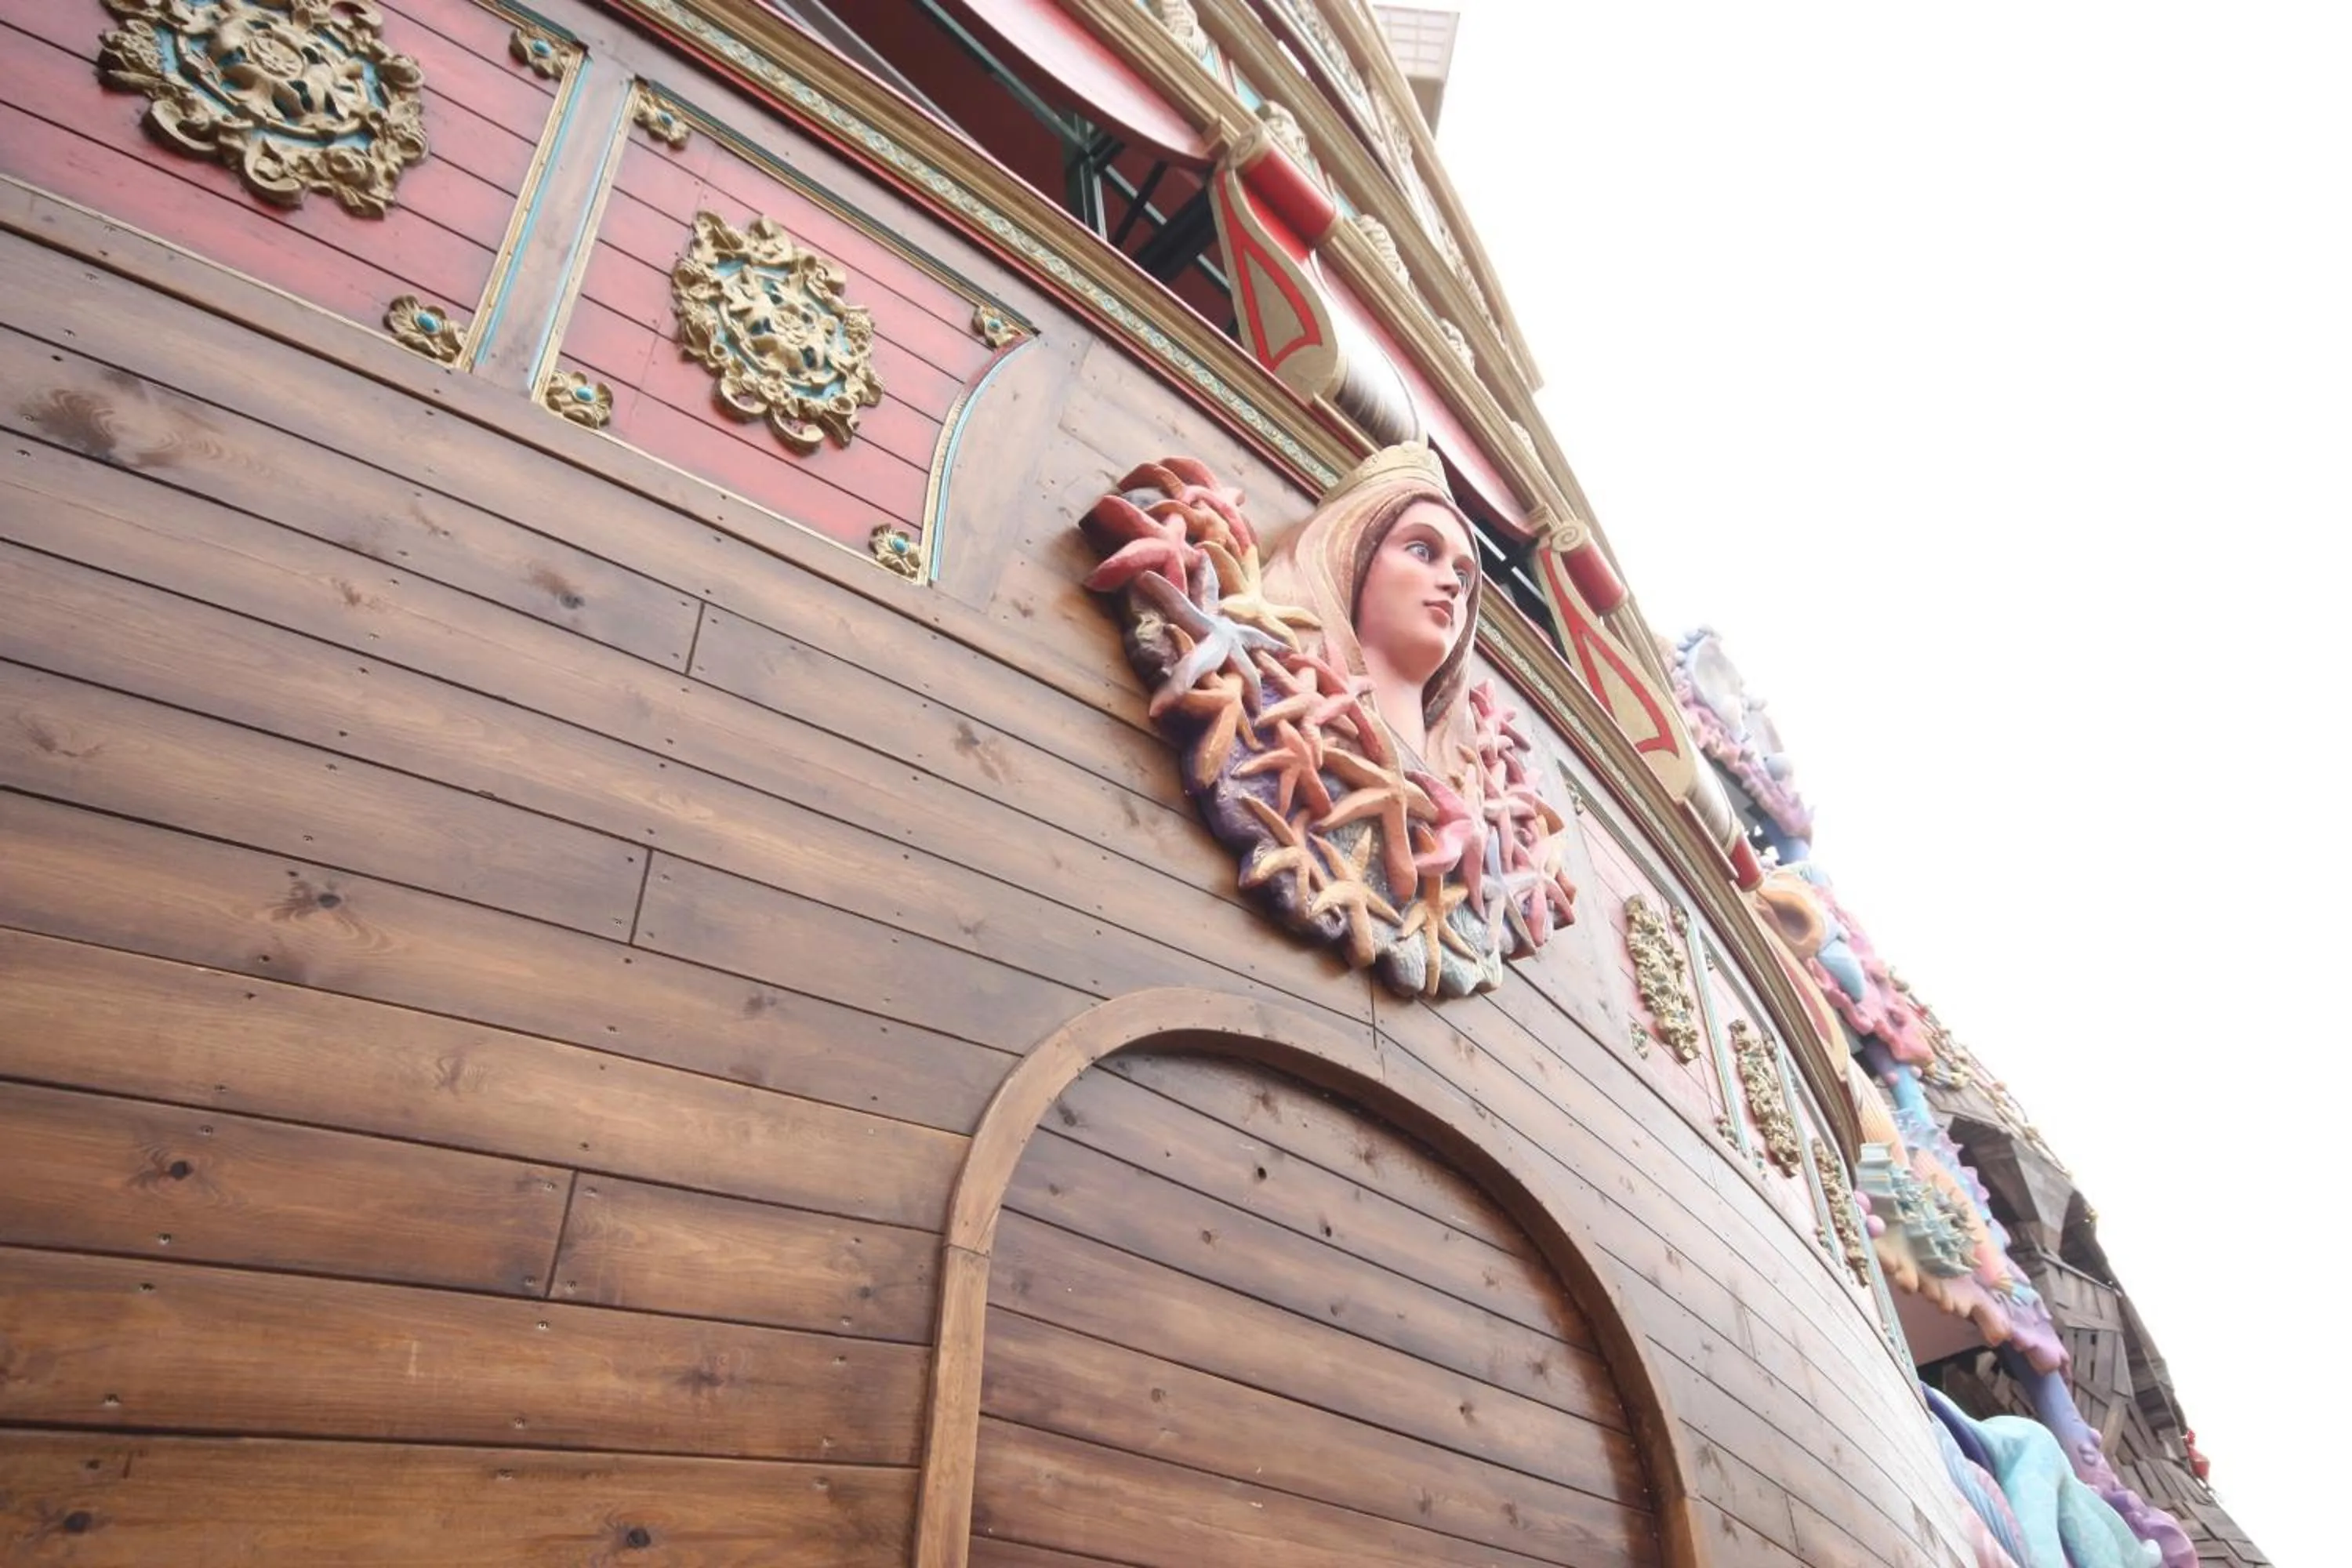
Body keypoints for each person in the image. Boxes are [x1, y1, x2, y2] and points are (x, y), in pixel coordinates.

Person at [1255, 443, 1483, 767]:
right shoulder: (1274, 702)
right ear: (1352, 556)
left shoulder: (1465, 790)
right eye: (1422, 551)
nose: (1451, 585)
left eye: (1464, 578)